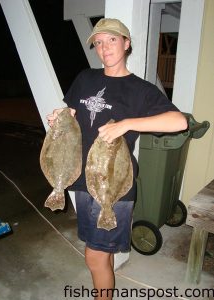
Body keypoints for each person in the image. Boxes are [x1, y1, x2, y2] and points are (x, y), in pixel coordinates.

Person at [47, 18, 187, 300]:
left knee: (94, 257)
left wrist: (125, 124)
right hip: (83, 181)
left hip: (113, 183)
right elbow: (72, 111)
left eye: (112, 40)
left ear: (126, 43)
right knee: (101, 249)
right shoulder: (85, 78)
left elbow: (178, 122)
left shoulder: (141, 89)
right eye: (98, 43)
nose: (104, 47)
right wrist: (60, 116)